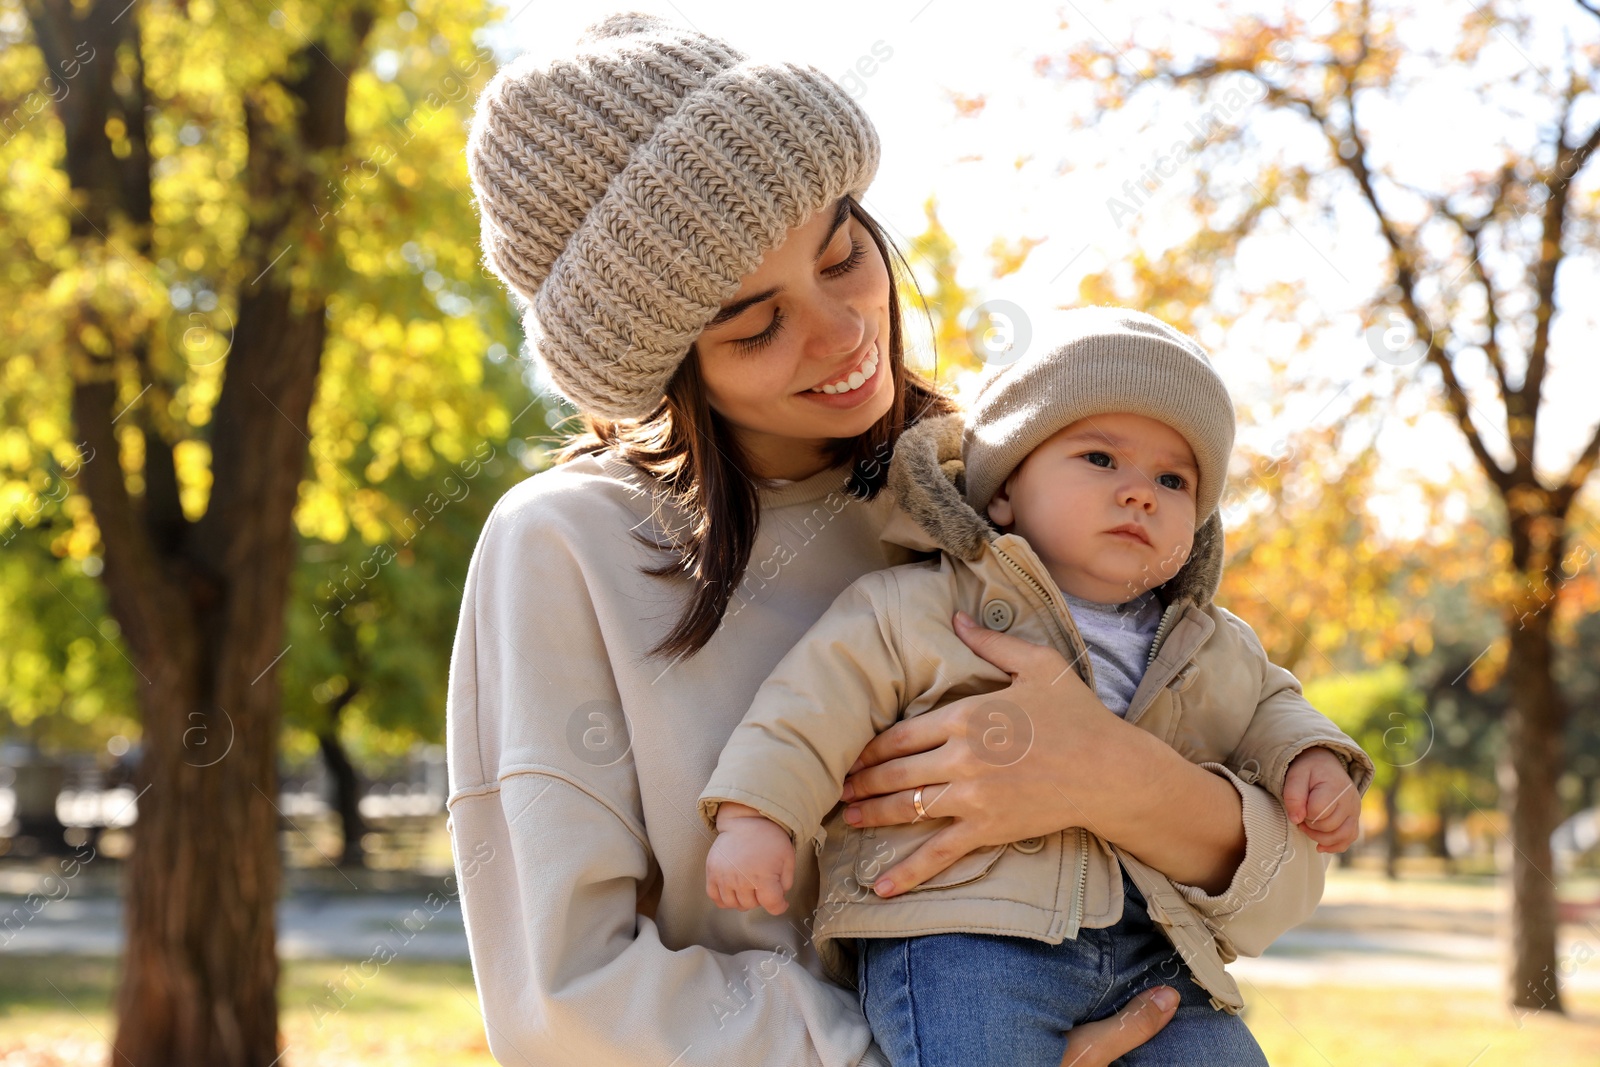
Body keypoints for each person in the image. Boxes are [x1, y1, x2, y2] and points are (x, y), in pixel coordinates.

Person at [450, 13, 1342, 1065]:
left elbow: (1279, 887)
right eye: (754, 324)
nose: (841, 333)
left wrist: (1114, 777)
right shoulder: (563, 547)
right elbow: (565, 1001)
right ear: (667, 363)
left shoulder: (1003, 501)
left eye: (842, 254)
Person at [698, 308, 1376, 1066]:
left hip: (1156, 950)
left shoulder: (1212, 642)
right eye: (1099, 458)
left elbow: (1274, 707)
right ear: (1004, 492)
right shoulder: (919, 603)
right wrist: (758, 814)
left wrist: (1312, 761)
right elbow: (812, 701)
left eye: (1173, 478)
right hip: (963, 929)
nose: (1139, 493)